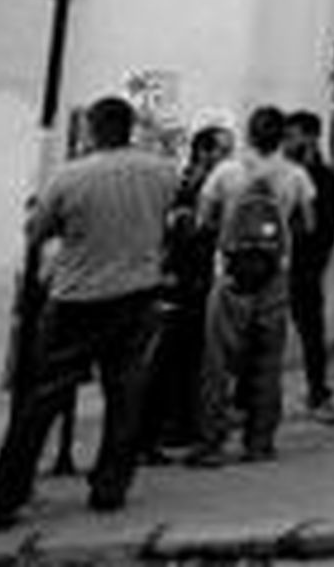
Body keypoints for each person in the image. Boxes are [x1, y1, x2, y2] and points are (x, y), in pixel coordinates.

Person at [0, 96, 180, 531]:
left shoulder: (70, 177)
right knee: (125, 396)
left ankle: (6, 495)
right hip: (137, 293)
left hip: (79, 299)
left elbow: (37, 233)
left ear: (93, 129)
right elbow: (167, 216)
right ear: (129, 128)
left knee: (42, 399)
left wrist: (46, 218)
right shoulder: (162, 172)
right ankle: (110, 486)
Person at [186, 106, 315, 467]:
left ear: (249, 134)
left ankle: (211, 443)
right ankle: (260, 442)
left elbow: (202, 220)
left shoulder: (226, 171)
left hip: (231, 275)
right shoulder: (296, 175)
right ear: (282, 137)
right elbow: (309, 224)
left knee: (218, 362)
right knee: (268, 361)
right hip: (275, 275)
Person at [139, 122, 233, 457]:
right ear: (203, 151)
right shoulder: (191, 185)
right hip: (184, 283)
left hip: (195, 281)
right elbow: (182, 233)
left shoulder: (205, 182)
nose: (228, 157)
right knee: (172, 358)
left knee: (190, 357)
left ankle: (179, 425)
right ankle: (160, 431)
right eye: (222, 150)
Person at [284, 111, 334, 423]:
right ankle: (246, 399)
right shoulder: (281, 172)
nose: (287, 141)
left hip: (304, 266)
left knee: (312, 334)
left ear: (310, 137)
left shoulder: (324, 178)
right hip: (272, 266)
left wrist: (315, 263)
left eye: (293, 135)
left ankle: (318, 394)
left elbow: (326, 227)